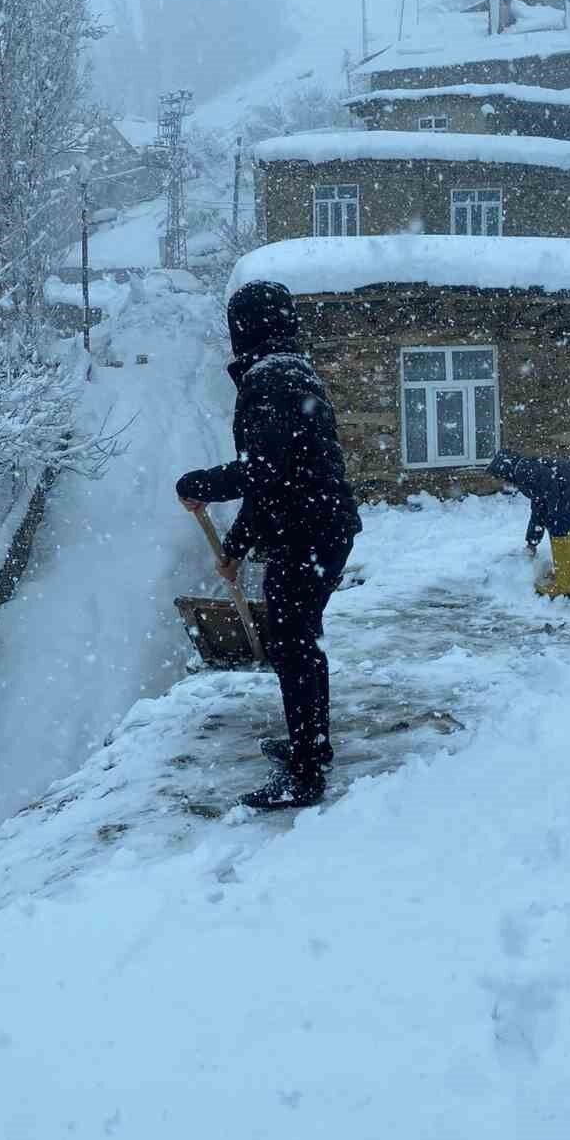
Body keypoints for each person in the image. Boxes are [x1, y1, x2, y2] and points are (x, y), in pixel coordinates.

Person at [176, 280, 361, 810]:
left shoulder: (270, 379)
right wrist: (235, 547)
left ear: (244, 329)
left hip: (308, 532)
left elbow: (266, 471)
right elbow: (277, 481)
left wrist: (200, 484)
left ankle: (305, 773)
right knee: (298, 644)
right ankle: (311, 746)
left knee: (293, 647)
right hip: (319, 529)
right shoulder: (290, 372)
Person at [487, 449, 570, 599]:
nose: (502, 483)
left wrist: (553, 512)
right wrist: (532, 542)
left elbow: (550, 485)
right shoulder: (523, 468)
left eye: (500, 478)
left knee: (558, 529)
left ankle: (566, 585)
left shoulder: (523, 471)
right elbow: (538, 508)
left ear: (504, 471)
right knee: (564, 524)